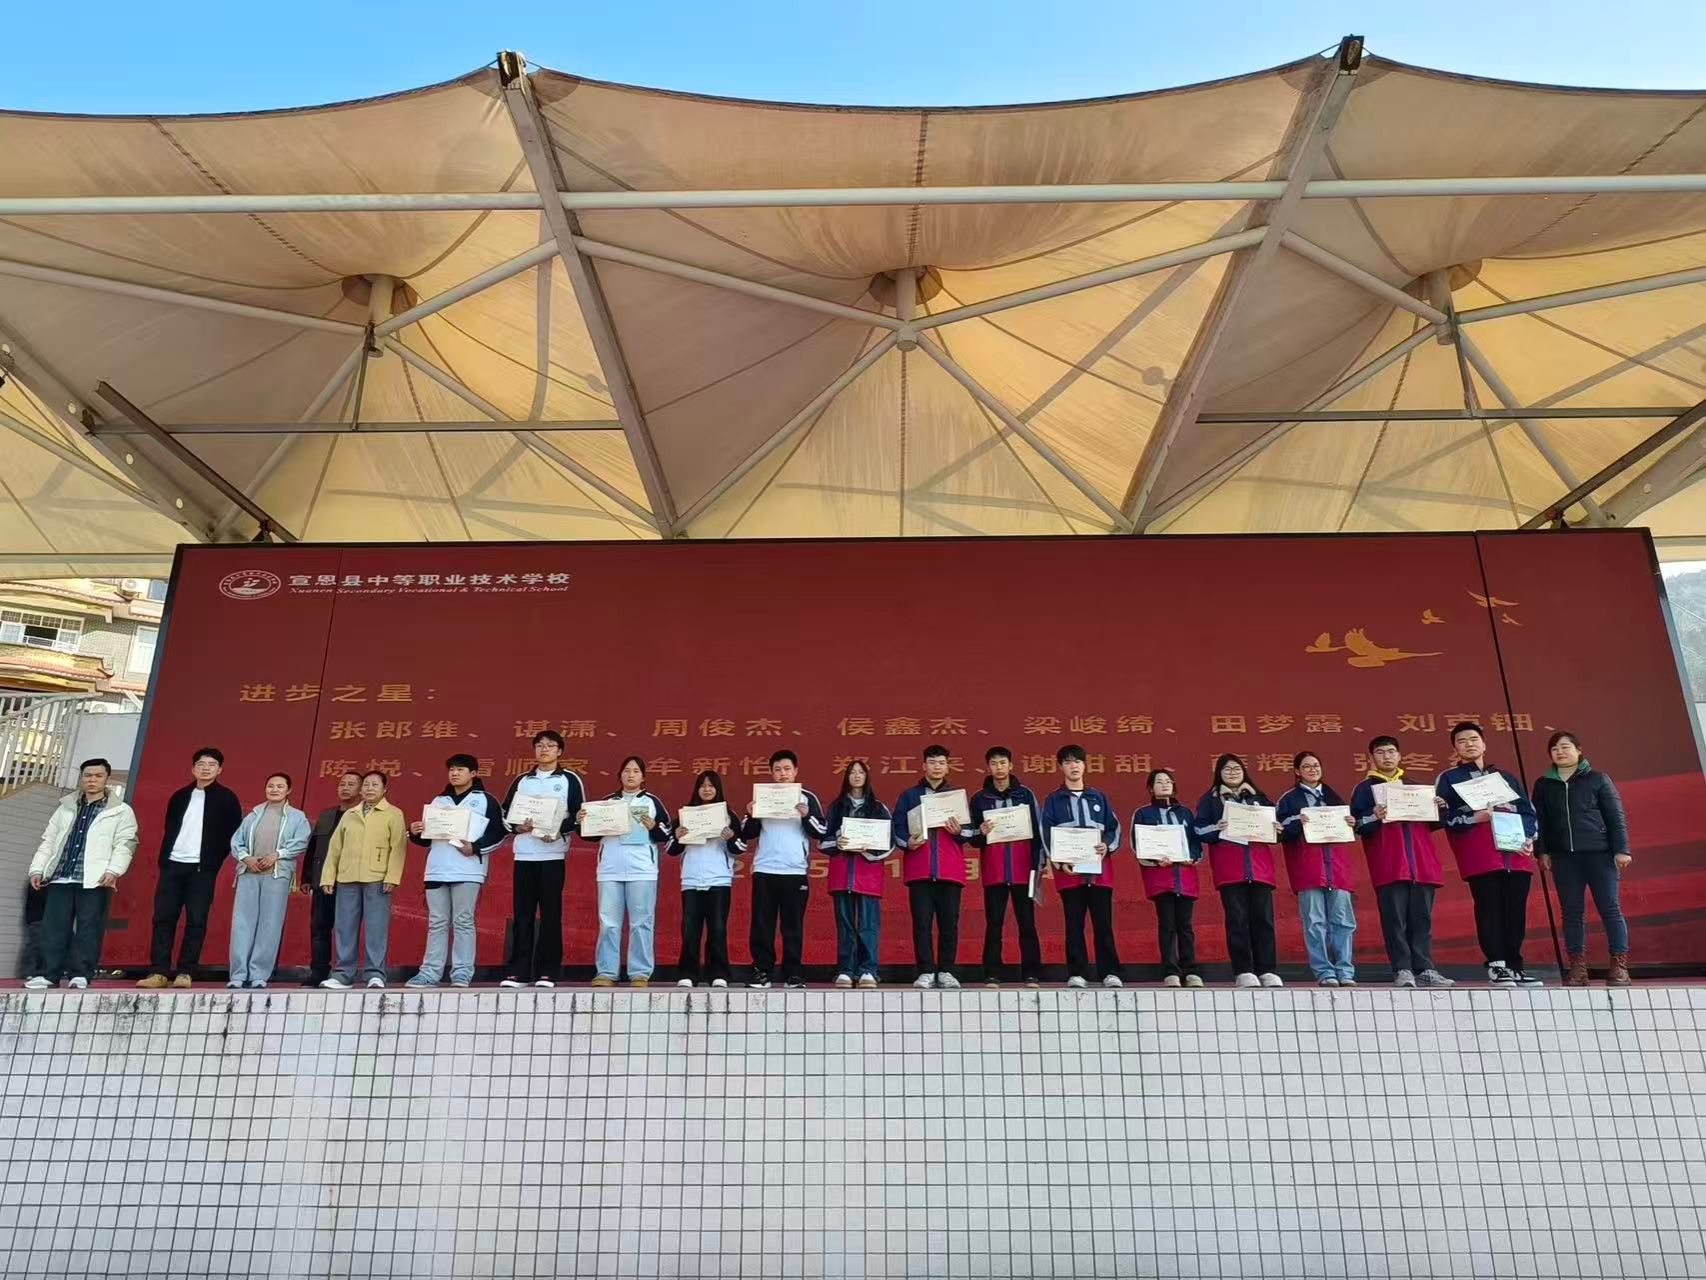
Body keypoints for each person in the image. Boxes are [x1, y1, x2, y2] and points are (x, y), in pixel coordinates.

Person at [1436, 721, 1541, 988]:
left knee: (1515, 911)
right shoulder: (1449, 779)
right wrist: (1475, 817)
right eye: (1461, 741)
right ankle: (1496, 965)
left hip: (1516, 853)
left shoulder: (1505, 777)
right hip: (1480, 856)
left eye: (1473, 739)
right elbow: (1444, 818)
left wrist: (1529, 837)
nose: (1469, 744)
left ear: (1484, 744)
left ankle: (1515, 966)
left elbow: (1527, 811)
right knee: (1489, 909)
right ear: (1455, 749)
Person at [25, 759, 138, 990]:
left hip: (95, 879)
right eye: (88, 775)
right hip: (61, 875)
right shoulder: (65, 807)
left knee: (89, 928)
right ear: (81, 778)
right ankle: (48, 975)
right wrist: (37, 869)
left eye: (98, 776)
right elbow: (49, 841)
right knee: (53, 928)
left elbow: (126, 843)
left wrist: (114, 870)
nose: (92, 780)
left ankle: (81, 975)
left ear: (106, 779)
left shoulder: (120, 810)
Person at [1350, 735, 1452, 989]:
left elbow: (1435, 824)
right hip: (1390, 864)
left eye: (1391, 752)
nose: (1387, 756)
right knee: (1395, 921)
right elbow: (1357, 826)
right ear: (1371, 758)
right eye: (1381, 752)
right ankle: (1403, 969)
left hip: (1421, 863)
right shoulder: (1365, 789)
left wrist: (1440, 807)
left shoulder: (1415, 787)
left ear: (1399, 756)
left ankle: (1425, 969)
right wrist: (1373, 816)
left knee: (1422, 919)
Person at [1532, 731, 1631, 986]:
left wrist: (1622, 849)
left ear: (1578, 750)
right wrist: (1542, 851)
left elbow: (1616, 817)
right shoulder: (1543, 784)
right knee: (1571, 913)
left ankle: (1619, 966)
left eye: (1565, 747)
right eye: (1555, 749)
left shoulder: (1598, 779)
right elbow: (1539, 821)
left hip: (1600, 855)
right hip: (1564, 858)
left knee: (1610, 909)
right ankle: (1577, 968)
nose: (1560, 752)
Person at [138, 747, 243, 989]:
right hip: (173, 865)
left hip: (202, 869)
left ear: (220, 770)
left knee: (196, 920)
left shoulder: (227, 799)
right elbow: (170, 827)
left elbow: (233, 834)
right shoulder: (180, 796)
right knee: (163, 918)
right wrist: (166, 859)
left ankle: (185, 971)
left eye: (212, 765)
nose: (206, 768)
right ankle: (159, 971)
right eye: (201, 764)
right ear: (193, 768)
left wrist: (212, 861)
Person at [406, 754, 506, 989]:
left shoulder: (485, 800)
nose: (454, 773)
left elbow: (499, 833)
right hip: (437, 868)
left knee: (463, 921)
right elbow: (427, 838)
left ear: (473, 774)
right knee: (437, 922)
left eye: (460, 769)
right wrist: (415, 832)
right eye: (451, 769)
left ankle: (461, 973)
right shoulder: (439, 800)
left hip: (468, 870)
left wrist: (475, 848)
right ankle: (429, 973)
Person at [496, 730, 586, 989]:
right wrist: (517, 828)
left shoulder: (569, 779)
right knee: (522, 915)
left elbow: (580, 815)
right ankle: (519, 972)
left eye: (550, 745)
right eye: (539, 745)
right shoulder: (523, 780)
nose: (544, 749)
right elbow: (505, 814)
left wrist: (559, 830)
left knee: (550, 914)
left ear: (560, 751)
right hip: (524, 854)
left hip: (553, 854)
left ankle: (548, 971)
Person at [738, 750, 826, 989]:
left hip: (794, 871)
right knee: (762, 925)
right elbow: (746, 833)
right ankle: (762, 972)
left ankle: (793, 974)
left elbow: (821, 830)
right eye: (777, 770)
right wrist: (751, 814)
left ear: (795, 771)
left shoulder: (807, 798)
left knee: (792, 926)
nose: (782, 774)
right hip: (765, 869)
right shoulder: (762, 796)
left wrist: (807, 815)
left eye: (787, 769)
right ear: (771, 773)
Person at [583, 756, 673, 988]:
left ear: (643, 777)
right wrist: (583, 821)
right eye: (626, 771)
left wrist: (653, 826)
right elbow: (589, 835)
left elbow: (666, 834)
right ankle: (606, 972)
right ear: (620, 775)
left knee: (641, 923)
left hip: (642, 870)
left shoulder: (652, 802)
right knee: (608, 923)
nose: (630, 775)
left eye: (635, 771)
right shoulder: (608, 802)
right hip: (610, 869)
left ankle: (640, 972)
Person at [1039, 744, 1123, 988]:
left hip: (1099, 874)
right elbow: (1046, 833)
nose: (1073, 766)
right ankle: (1077, 973)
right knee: (1074, 925)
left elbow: (1113, 828)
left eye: (1077, 761)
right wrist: (1059, 860)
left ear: (1085, 765)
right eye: (1068, 762)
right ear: (1061, 767)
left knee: (1103, 925)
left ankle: (1110, 973)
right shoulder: (1053, 800)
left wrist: (1107, 845)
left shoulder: (1099, 797)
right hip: (1070, 874)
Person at [1195, 753, 1282, 989]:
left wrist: (1277, 829)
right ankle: (1243, 971)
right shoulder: (1210, 799)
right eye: (1227, 769)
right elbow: (1198, 830)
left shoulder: (1259, 797)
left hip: (1260, 869)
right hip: (1230, 870)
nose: (1232, 773)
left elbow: (1277, 831)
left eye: (1236, 769)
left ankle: (1267, 970)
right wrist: (1217, 827)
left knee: (1264, 921)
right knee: (1237, 921)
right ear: (1218, 773)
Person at [891, 745, 972, 990]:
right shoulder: (909, 796)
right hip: (920, 869)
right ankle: (925, 971)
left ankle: (946, 971)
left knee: (949, 924)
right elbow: (897, 828)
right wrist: (908, 842)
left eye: (941, 763)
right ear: (924, 766)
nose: (937, 767)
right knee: (922, 924)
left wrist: (958, 832)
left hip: (950, 870)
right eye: (933, 762)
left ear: (948, 767)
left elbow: (970, 831)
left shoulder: (956, 797)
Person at [1275, 752, 1358, 987]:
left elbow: (1348, 828)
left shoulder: (1333, 796)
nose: (1313, 770)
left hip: (1337, 869)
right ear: (1297, 771)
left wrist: (1352, 823)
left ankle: (1345, 971)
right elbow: (1278, 830)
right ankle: (1324, 972)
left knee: (1344, 921)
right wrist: (1296, 821)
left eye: (1316, 765)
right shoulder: (1289, 799)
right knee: (1314, 923)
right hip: (1308, 869)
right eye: (1307, 766)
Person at [319, 771, 408, 989]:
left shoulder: (393, 814)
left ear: (385, 789)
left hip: (377, 878)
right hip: (347, 877)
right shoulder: (350, 814)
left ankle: (375, 974)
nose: (369, 788)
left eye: (375, 785)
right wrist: (328, 876)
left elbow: (398, 848)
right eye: (366, 784)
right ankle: (343, 974)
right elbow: (335, 848)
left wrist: (392, 877)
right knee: (344, 927)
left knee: (376, 928)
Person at [966, 747, 1044, 988]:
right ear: (988, 767)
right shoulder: (979, 799)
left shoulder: (1026, 794)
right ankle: (992, 974)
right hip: (995, 870)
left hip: (1023, 869)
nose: (999, 767)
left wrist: (1038, 865)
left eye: (1003, 763)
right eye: (994, 763)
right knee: (994, 924)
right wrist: (981, 831)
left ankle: (1032, 974)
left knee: (1027, 924)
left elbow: (1038, 832)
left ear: (1011, 766)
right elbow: (972, 836)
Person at [226, 773, 311, 989]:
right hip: (249, 873)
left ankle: (259, 975)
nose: (274, 790)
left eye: (280, 786)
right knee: (242, 924)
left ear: (288, 790)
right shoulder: (253, 815)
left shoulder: (297, 817)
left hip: (276, 875)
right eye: (270, 786)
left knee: (270, 925)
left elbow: (301, 842)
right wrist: (246, 858)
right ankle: (238, 974)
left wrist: (278, 854)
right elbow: (237, 841)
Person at [820, 760, 893, 988]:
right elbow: (823, 841)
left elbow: (889, 843)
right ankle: (846, 970)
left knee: (868, 925)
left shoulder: (878, 808)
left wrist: (868, 850)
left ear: (867, 776)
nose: (857, 775)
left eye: (861, 772)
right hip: (842, 874)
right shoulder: (836, 807)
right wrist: (838, 843)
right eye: (852, 772)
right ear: (847, 777)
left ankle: (868, 970)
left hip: (868, 874)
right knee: (845, 925)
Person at [669, 769, 743, 989]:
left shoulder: (728, 815)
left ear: (718, 789)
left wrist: (731, 837)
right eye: (703, 785)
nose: (707, 789)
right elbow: (671, 849)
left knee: (717, 929)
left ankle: (718, 973)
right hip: (691, 879)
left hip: (719, 879)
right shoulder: (685, 815)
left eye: (711, 786)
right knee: (690, 930)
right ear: (697, 789)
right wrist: (678, 837)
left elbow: (740, 847)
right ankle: (688, 974)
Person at [1131, 768, 1203, 988]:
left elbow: (1195, 841)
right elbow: (1138, 844)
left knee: (1186, 926)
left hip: (1185, 876)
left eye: (1168, 781)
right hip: (1161, 877)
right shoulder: (1143, 813)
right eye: (1159, 782)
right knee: (1167, 925)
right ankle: (1171, 971)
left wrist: (1192, 857)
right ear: (1150, 788)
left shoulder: (1185, 813)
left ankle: (1190, 971)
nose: (1164, 784)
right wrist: (1155, 859)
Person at [300, 770, 361, 986]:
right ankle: (319, 971)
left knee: (346, 929)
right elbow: (313, 847)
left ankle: (344, 972)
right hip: (323, 880)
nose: (345, 787)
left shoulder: (363, 816)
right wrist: (307, 877)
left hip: (350, 880)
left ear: (361, 789)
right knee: (319, 928)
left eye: (351, 784)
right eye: (342, 783)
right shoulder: (327, 815)